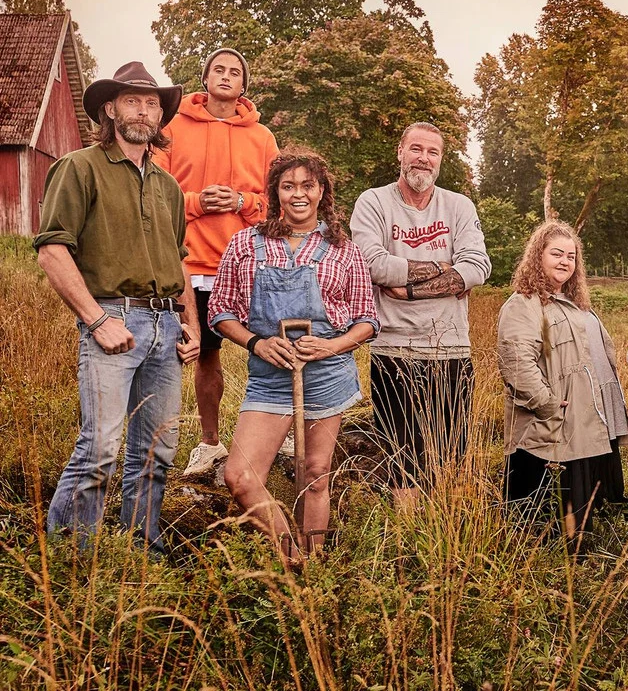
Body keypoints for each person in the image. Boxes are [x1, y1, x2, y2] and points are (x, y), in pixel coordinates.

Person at [33, 62, 200, 552]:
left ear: (160, 116)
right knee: (100, 448)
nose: (143, 110)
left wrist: (190, 325)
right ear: (109, 109)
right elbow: (52, 250)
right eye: (132, 100)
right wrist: (97, 319)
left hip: (166, 326)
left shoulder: (169, 187)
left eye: (152, 103)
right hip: (113, 318)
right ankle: (72, 557)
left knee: (157, 450)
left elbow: (179, 261)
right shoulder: (79, 167)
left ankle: (141, 551)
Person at [210, 150, 378, 563]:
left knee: (316, 474)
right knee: (240, 476)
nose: (298, 194)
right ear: (275, 193)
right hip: (270, 376)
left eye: (307, 186)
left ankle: (314, 568)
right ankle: (292, 557)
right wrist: (257, 343)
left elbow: (367, 320)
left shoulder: (344, 250)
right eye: (288, 186)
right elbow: (220, 311)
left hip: (327, 374)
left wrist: (331, 346)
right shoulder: (246, 244)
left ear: (322, 192)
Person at [350, 122, 491, 509]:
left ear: (440, 159)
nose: (423, 158)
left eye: (433, 152)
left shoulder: (458, 206)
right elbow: (371, 263)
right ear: (400, 152)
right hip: (394, 346)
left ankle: (446, 528)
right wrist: (445, 269)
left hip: (451, 347)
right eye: (416, 149)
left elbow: (477, 266)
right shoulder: (374, 202)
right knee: (402, 455)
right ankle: (408, 531)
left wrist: (407, 287)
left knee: (452, 450)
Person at [153, 48, 280, 477]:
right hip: (191, 266)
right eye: (218, 70)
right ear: (205, 79)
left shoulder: (262, 137)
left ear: (244, 85)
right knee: (205, 356)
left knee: (270, 350)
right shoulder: (172, 128)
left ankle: (280, 434)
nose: (226, 76)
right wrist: (195, 202)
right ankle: (209, 443)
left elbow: (280, 201)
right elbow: (153, 191)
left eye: (235, 72)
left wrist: (242, 201)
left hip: (250, 264)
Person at [497, 221, 628, 536]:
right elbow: (516, 362)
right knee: (543, 518)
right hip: (555, 419)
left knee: (583, 508)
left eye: (571, 256)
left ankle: (584, 541)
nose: (564, 261)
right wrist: (546, 404)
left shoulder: (575, 303)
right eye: (556, 254)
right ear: (538, 256)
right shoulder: (525, 303)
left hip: (587, 417)